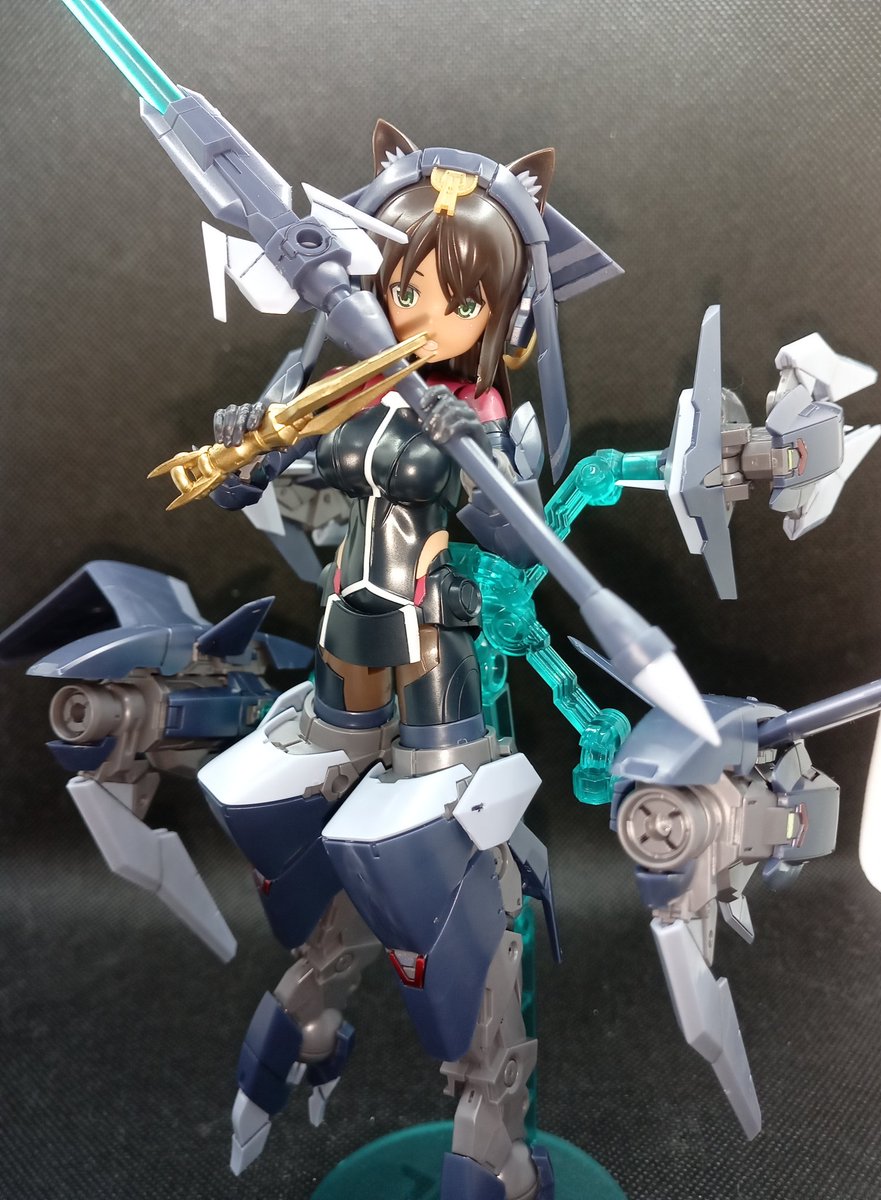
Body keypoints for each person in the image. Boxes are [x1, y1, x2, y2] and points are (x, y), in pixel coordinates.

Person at [200, 121, 615, 1200]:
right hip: (346, 665)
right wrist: (250, 447)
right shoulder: (357, 405)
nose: (423, 316)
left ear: (503, 319)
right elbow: (271, 482)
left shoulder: (487, 425)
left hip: (439, 677)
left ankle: (492, 1122)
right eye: (404, 289)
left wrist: (464, 449)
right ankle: (312, 1006)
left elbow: (522, 539)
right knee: (303, 837)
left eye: (458, 301)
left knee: (439, 874)